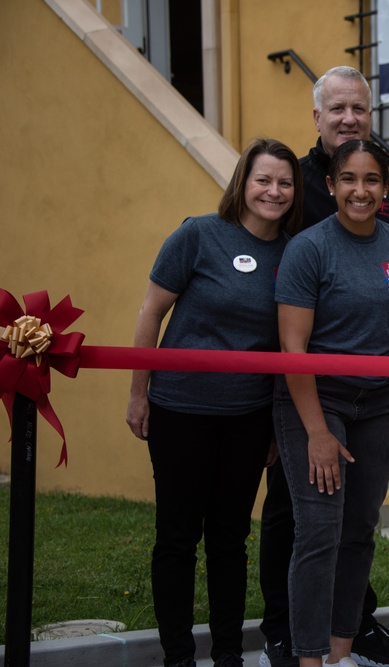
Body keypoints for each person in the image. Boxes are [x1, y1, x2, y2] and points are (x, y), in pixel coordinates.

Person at [258, 66, 389, 667]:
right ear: (330, 185)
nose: (361, 190)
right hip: (317, 402)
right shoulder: (306, 245)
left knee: (358, 530)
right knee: (318, 531)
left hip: (378, 404)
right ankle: (303, 655)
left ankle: (340, 649)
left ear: (385, 188)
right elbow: (291, 349)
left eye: (372, 181)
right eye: (349, 180)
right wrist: (316, 432)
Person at [126, 138, 304, 667]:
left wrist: (275, 425)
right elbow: (149, 314)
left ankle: (228, 654)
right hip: (180, 411)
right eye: (263, 179)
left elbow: (287, 343)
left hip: (248, 418)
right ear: (243, 182)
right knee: (177, 538)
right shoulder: (198, 235)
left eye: (285, 182)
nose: (274, 191)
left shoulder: (295, 253)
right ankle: (178, 656)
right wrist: (139, 393)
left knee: (229, 540)